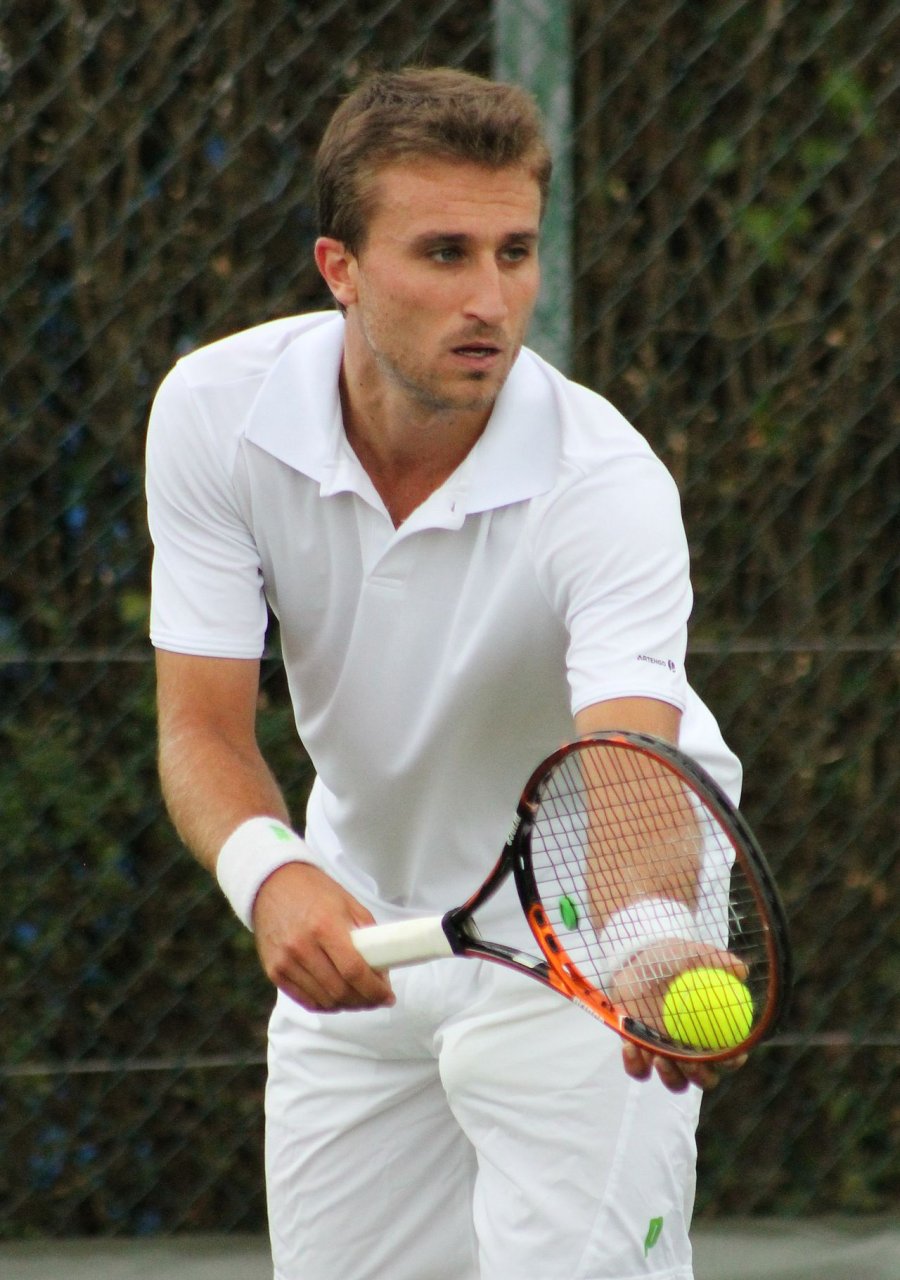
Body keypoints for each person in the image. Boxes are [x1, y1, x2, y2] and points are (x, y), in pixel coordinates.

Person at [146, 66, 745, 1280]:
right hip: (369, 916)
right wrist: (276, 878)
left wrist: (646, 937)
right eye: (444, 253)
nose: (490, 299)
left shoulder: (607, 484)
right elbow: (201, 726)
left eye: (515, 252)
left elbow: (628, 760)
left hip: (584, 931)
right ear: (341, 268)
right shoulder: (215, 413)